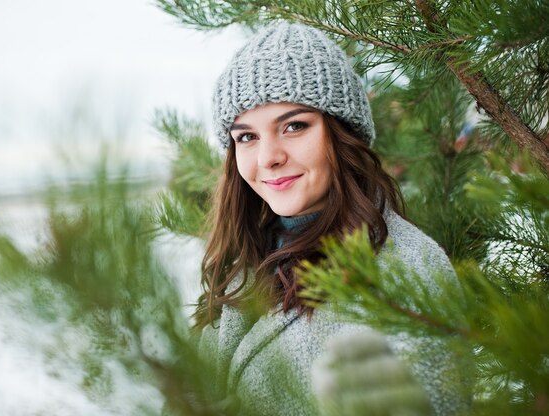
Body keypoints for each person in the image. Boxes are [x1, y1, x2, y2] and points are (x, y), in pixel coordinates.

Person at [195, 22, 466, 415]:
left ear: (342, 134)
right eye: (247, 137)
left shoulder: (408, 273)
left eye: (294, 126)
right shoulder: (249, 257)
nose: (268, 156)